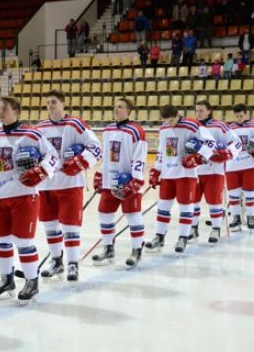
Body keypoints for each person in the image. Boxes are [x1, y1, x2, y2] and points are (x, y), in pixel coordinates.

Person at [0, 97, 58, 304]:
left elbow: (52, 155)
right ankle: (7, 280)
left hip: (23, 196)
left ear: (16, 111)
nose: (1, 112)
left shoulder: (31, 134)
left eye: (5, 109)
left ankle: (31, 281)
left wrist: (42, 170)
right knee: (1, 241)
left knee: (23, 242)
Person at [34, 90, 102, 282]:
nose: (50, 105)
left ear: (63, 103)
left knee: (70, 226)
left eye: (54, 102)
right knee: (50, 226)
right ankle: (57, 262)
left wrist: (82, 161)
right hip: (46, 185)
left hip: (70, 184)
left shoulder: (75, 124)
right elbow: (32, 152)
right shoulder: (40, 127)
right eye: (47, 102)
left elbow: (96, 147)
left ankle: (73, 264)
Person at [145, 104, 214, 254]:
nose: (168, 124)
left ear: (177, 115)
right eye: (166, 121)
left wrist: (198, 158)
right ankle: (159, 237)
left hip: (185, 174)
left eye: (171, 120)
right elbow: (161, 151)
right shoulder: (164, 128)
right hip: (168, 174)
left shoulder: (192, 125)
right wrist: (156, 170)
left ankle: (183, 237)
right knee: (163, 207)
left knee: (185, 206)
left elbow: (211, 143)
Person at [91, 98, 148, 268]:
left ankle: (137, 250)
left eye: (120, 107)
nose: (116, 109)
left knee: (133, 215)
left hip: (128, 180)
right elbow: (107, 155)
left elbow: (140, 155)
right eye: (115, 106)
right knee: (104, 213)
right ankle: (108, 249)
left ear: (129, 110)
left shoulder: (136, 130)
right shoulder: (108, 129)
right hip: (110, 181)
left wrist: (137, 179)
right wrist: (101, 173)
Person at [190, 100, 242, 243]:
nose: (198, 113)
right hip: (194, 171)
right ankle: (193, 229)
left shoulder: (219, 126)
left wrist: (229, 153)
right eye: (196, 110)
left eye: (201, 110)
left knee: (214, 202)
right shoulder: (192, 127)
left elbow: (237, 142)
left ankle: (215, 229)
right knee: (193, 202)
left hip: (214, 171)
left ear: (209, 111)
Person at [227, 104, 254, 231]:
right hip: (232, 166)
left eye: (241, 116)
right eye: (236, 116)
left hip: (249, 165)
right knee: (233, 194)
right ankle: (236, 217)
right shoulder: (230, 127)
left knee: (250, 193)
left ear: (246, 114)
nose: (239, 119)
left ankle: (251, 217)